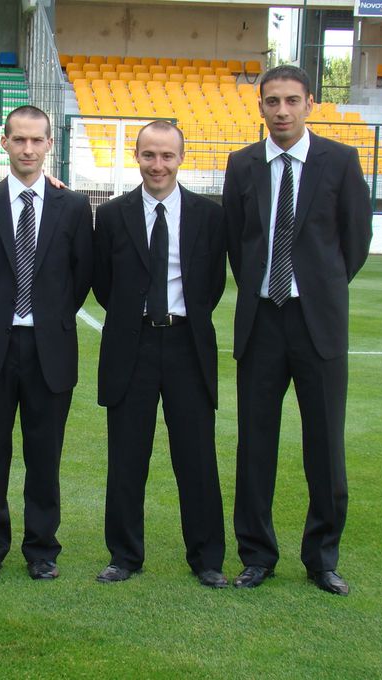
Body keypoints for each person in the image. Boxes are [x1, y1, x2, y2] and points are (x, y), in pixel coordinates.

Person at [221, 65, 372, 595]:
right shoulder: (242, 165)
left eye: (290, 100)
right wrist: (269, 289)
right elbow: (239, 245)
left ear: (310, 103)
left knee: (325, 446)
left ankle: (322, 557)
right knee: (255, 444)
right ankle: (257, 554)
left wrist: (318, 290)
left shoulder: (340, 161)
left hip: (318, 326)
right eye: (271, 101)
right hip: (262, 322)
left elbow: (354, 243)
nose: (281, 111)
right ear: (259, 106)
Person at [0, 105, 93, 582]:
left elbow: (80, 277)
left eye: (37, 140)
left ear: (50, 144)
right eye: (19, 140)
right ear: (4, 142)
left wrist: (46, 317)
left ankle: (42, 550)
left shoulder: (73, 206)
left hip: (49, 350)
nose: (28, 149)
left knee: (44, 455)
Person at [92, 121, 229, 588]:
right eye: (149, 155)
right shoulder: (111, 215)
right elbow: (104, 285)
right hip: (131, 343)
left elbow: (211, 285)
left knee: (196, 456)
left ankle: (207, 558)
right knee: (127, 456)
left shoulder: (209, 216)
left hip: (188, 345)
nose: (158, 164)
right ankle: (124, 555)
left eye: (167, 155)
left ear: (181, 157)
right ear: (137, 156)